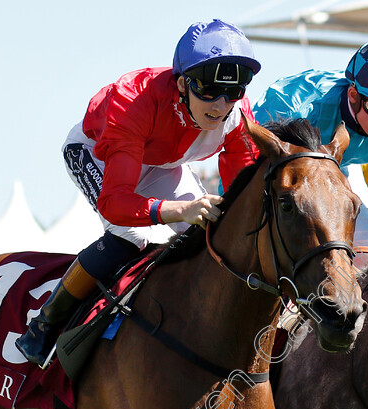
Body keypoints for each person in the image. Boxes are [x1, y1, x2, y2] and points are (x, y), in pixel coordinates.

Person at [15, 19, 261, 367]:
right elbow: (116, 204)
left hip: (162, 165)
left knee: (213, 235)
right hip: (99, 155)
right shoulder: (134, 102)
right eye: (208, 90)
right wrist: (175, 211)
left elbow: (241, 202)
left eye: (232, 92)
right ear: (182, 83)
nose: (220, 105)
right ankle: (43, 326)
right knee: (131, 236)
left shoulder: (239, 117)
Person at [252, 37, 368, 251]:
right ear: (353, 95)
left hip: (339, 164)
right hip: (279, 147)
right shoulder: (301, 110)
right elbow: (245, 165)